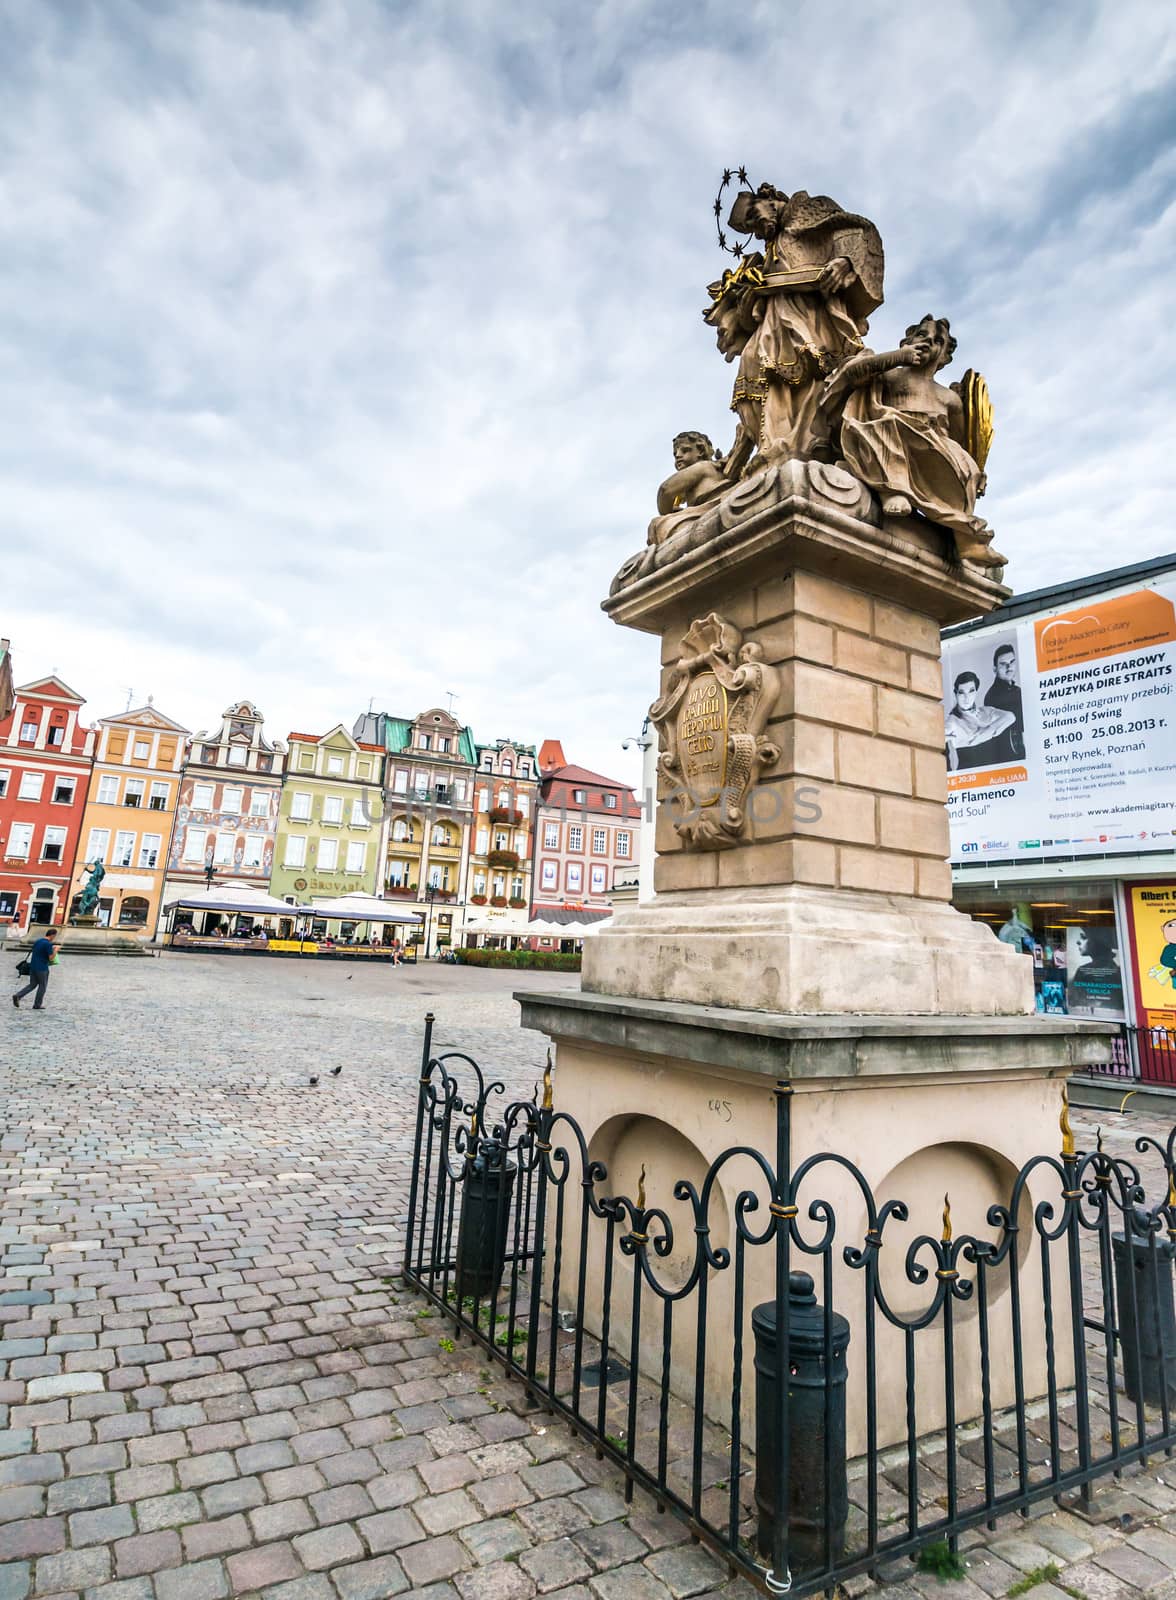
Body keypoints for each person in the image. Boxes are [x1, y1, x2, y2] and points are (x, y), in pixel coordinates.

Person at [944, 671, 1015, 771]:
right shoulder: (953, 721)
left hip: (994, 773)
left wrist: (988, 730)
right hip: (971, 778)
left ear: (976, 692)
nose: (966, 697)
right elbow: (936, 739)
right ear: (955, 694)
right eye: (961, 692)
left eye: (971, 691)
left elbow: (1010, 716)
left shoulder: (986, 711)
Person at [984, 644, 1024, 760]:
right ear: (995, 669)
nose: (1009, 667)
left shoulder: (1016, 690)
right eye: (1003, 664)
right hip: (1009, 758)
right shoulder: (992, 696)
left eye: (1012, 662)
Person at [13, 927, 59, 1011]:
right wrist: (55, 950)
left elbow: (39, 952)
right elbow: (51, 958)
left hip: (33, 966)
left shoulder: (38, 941)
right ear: (52, 935)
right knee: (42, 986)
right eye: (54, 936)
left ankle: (18, 995)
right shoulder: (48, 944)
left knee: (32, 984)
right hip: (42, 968)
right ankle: (37, 1005)